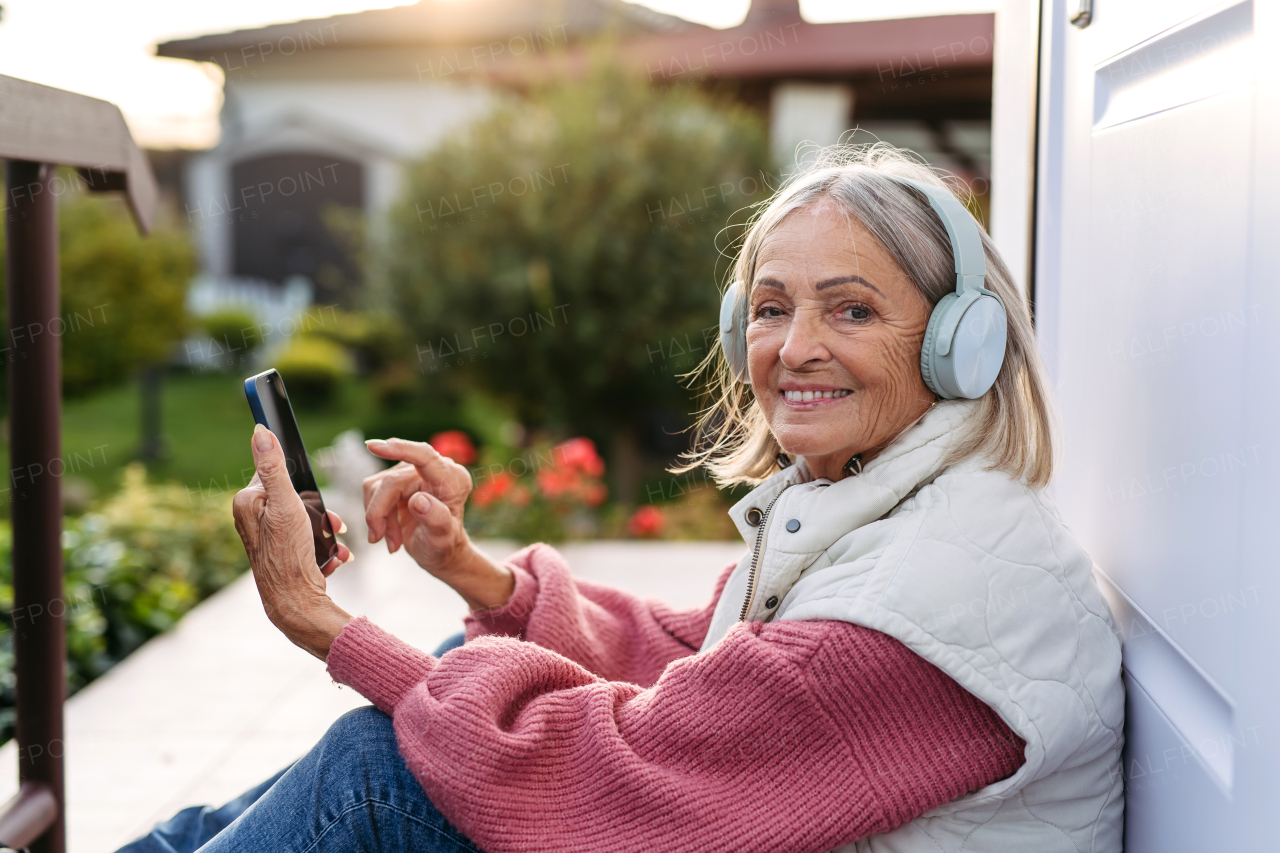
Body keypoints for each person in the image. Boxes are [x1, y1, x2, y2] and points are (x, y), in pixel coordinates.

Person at [119, 144, 1124, 853]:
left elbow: (613, 770)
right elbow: (703, 662)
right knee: (440, 694)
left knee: (381, 771)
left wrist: (321, 621)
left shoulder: (927, 601)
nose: (793, 348)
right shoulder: (905, 509)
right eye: (770, 309)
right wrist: (473, 571)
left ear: (961, 342)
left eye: (850, 309)